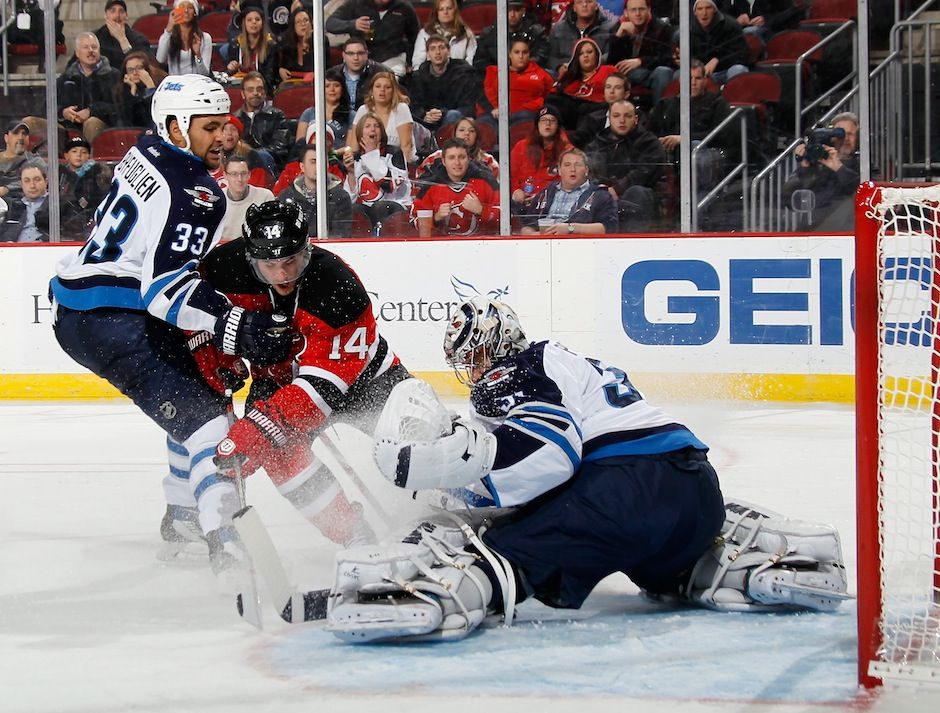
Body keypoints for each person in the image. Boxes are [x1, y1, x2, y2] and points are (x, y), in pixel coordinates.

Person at [326, 296, 850, 642]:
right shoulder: (563, 362)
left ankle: (442, 592)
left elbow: (551, 450)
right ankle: (721, 561)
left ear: (500, 342)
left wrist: (467, 487)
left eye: (479, 354)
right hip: (695, 493)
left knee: (503, 551)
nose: (477, 370)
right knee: (654, 560)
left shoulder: (518, 367)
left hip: (621, 494)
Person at [49, 74, 293, 573]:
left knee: (197, 386)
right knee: (210, 425)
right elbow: (164, 292)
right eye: (209, 127)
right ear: (177, 127)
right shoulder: (199, 195)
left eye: (225, 125)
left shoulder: (146, 148)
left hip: (79, 304)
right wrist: (236, 324)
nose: (223, 138)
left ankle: (183, 512)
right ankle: (225, 539)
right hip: (109, 317)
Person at [209, 200, 411, 545]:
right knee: (282, 454)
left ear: (306, 249)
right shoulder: (222, 269)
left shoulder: (337, 285)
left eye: (290, 261)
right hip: (277, 381)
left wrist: (258, 431)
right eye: (270, 265)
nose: (283, 274)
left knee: (418, 432)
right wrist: (220, 360)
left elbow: (325, 386)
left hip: (365, 378)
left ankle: (460, 502)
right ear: (250, 258)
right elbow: (194, 319)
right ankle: (352, 535)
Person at [647, 59, 736, 187]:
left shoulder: (717, 102)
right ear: (680, 80)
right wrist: (660, 141)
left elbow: (720, 135)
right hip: (670, 152)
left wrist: (684, 139)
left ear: (705, 80)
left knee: (694, 146)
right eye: (689, 78)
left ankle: (698, 200)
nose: (693, 83)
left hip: (705, 151)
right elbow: (650, 131)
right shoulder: (665, 104)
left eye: (698, 78)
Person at [584, 99, 666, 231]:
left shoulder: (649, 142)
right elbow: (590, 172)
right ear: (609, 119)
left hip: (636, 196)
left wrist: (617, 189)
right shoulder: (596, 144)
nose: (622, 120)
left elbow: (644, 172)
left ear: (636, 119)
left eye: (627, 116)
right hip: (604, 194)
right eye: (616, 116)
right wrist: (604, 190)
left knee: (637, 193)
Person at [782, 112, 860, 232]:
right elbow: (788, 200)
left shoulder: (866, 168)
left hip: (849, 236)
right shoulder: (816, 166)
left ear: (857, 138)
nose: (846, 139)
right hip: (813, 235)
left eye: (851, 134)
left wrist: (839, 168)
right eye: (840, 134)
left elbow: (868, 195)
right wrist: (804, 168)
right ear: (831, 137)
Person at [519, 148, 619, 234]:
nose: (573, 169)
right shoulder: (545, 193)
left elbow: (610, 227)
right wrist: (533, 235)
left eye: (578, 165)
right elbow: (526, 226)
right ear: (559, 170)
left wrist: (571, 228)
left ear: (586, 170)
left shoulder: (600, 194)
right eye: (567, 165)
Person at [413, 138, 499, 237]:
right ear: (444, 161)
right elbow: (414, 222)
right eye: (451, 157)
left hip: (481, 246)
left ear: (469, 159)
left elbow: (506, 216)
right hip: (441, 248)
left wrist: (481, 210)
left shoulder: (487, 182)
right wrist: (436, 217)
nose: (457, 163)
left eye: (462, 157)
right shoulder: (429, 186)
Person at [342, 113, 412, 231]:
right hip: (367, 207)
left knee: (381, 207)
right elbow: (349, 199)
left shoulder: (394, 153)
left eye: (376, 126)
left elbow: (390, 185)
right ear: (360, 133)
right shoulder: (356, 158)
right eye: (367, 126)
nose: (372, 129)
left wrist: (372, 155)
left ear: (382, 132)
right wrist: (350, 172)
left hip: (395, 205)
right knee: (354, 210)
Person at [325, 0, 420, 79]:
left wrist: (409, 60)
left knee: (389, 82)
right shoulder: (355, 4)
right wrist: (353, 24)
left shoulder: (404, 7)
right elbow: (330, 24)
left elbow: (414, 37)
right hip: (360, 57)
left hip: (392, 58)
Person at [606, 0, 674, 107]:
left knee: (663, 72)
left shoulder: (662, 29)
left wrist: (640, 61)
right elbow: (611, 64)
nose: (637, 13)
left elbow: (667, 59)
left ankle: (660, 115)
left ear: (649, 10)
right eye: (633, 10)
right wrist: (618, 36)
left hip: (650, 73)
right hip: (627, 74)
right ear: (626, 12)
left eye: (641, 9)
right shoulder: (617, 28)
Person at [56, 32, 122, 142]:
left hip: (103, 125)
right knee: (30, 122)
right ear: (77, 53)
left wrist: (91, 111)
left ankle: (90, 158)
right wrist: (63, 112)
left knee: (91, 123)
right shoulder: (66, 78)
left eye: (94, 47)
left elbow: (120, 107)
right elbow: (47, 106)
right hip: (68, 126)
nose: (91, 50)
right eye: (86, 47)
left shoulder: (114, 76)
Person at [277, 143, 353, 237]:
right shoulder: (286, 197)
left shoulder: (340, 197)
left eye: (322, 161)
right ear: (302, 167)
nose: (318, 166)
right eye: (313, 162)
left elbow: (341, 234)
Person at [408, 35, 481, 133]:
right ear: (428, 54)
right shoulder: (419, 75)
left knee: (453, 114)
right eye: (433, 49)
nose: (438, 52)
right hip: (427, 118)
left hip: (453, 116)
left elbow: (467, 106)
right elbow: (415, 104)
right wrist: (424, 115)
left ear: (449, 51)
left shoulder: (463, 72)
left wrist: (442, 113)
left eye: (442, 48)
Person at [478, 35, 554, 128]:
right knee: (484, 123)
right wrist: (494, 108)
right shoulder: (494, 72)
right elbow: (484, 94)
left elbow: (550, 96)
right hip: (496, 115)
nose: (521, 56)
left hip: (525, 115)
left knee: (526, 118)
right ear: (509, 54)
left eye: (525, 52)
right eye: (517, 52)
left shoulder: (541, 74)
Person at [509, 105, 572, 207]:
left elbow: (570, 182)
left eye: (552, 120)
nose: (548, 123)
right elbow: (511, 175)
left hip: (554, 204)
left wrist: (543, 196)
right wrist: (515, 190)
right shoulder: (521, 147)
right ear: (537, 125)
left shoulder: (567, 151)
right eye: (543, 120)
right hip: (522, 203)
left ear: (558, 126)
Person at [550, 37, 618, 130]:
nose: (586, 56)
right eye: (581, 54)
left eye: (589, 52)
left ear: (597, 55)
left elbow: (620, 88)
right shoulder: (569, 76)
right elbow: (554, 93)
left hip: (598, 110)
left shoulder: (608, 70)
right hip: (571, 113)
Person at [348, 71, 415, 164]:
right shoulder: (363, 110)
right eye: (378, 86)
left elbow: (406, 146)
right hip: (366, 163)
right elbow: (354, 147)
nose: (382, 90)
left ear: (393, 91)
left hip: (397, 165)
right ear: (372, 90)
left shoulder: (401, 109)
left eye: (387, 87)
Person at [233, 70, 292, 174]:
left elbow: (280, 149)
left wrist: (252, 153)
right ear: (243, 94)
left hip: (268, 167)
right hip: (240, 167)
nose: (255, 93)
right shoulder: (235, 118)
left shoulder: (277, 116)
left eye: (259, 89)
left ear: (264, 93)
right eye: (250, 90)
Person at [58, 136, 112, 241]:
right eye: (74, 151)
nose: (79, 155)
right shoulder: (59, 175)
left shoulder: (97, 174)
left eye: (83, 152)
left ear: (89, 156)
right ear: (66, 156)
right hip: (64, 223)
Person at [474, 0, 549, 75]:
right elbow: (479, 62)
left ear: (523, 11)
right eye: (508, 10)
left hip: (529, 75)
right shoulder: (489, 33)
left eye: (516, 10)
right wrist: (501, 69)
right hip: (496, 77)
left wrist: (522, 65)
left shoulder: (536, 32)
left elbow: (542, 57)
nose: (512, 14)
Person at [547, 0, 618, 80]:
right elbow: (552, 56)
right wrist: (559, 67)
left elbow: (611, 55)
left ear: (596, 6)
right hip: (566, 74)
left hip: (598, 73)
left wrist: (591, 65)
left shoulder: (611, 28)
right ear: (574, 7)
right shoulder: (558, 29)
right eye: (580, 2)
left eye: (589, 1)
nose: (584, 5)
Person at [415, 116, 498, 181]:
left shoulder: (488, 161)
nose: (467, 133)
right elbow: (420, 184)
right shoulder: (435, 158)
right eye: (461, 130)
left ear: (477, 136)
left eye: (472, 131)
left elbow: (496, 190)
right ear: (455, 133)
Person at [688, 0, 750, 86]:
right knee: (679, 74)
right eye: (700, 9)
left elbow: (742, 55)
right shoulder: (688, 30)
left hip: (724, 72)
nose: (704, 13)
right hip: (699, 75)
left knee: (738, 70)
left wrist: (717, 60)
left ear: (714, 10)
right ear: (695, 12)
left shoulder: (731, 25)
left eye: (708, 8)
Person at [568, 70, 629, 148]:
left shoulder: (637, 118)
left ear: (626, 94)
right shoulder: (593, 118)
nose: (612, 91)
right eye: (608, 87)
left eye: (617, 88)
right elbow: (578, 139)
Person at [220, 154, 275, 240]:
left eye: (243, 173)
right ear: (225, 175)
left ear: (249, 174)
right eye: (234, 174)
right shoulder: (218, 199)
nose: (239, 179)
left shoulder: (265, 197)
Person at [223, 0, 276, 88]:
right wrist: (230, 69)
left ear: (262, 23)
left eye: (257, 19)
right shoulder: (235, 45)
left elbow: (269, 79)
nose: (254, 22)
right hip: (239, 88)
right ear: (244, 23)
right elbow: (228, 75)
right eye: (249, 20)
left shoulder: (270, 46)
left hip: (261, 89)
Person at [330, 38, 389, 116]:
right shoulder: (333, 74)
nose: (356, 58)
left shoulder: (381, 72)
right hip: (340, 119)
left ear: (366, 54)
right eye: (351, 53)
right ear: (343, 55)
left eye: (360, 53)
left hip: (370, 117)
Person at [411, 0, 477, 69]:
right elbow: (418, 62)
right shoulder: (424, 33)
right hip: (431, 76)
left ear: (455, 11)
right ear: (436, 13)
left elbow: (471, 59)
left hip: (460, 75)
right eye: (441, 9)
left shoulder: (466, 33)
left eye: (449, 8)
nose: (445, 12)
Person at [295, 67, 353, 146]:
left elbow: (350, 148)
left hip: (338, 157)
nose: (332, 89)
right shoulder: (308, 113)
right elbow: (299, 145)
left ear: (343, 89)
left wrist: (331, 153)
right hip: (312, 156)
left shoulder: (351, 115)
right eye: (327, 86)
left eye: (336, 85)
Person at [157, 0, 213, 77]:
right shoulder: (167, 36)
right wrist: (168, 29)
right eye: (182, 7)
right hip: (176, 85)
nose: (186, 11)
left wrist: (198, 55)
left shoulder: (205, 38)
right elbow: (160, 59)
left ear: (195, 12)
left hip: (196, 83)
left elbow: (204, 74)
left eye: (190, 7)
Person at [93, 0, 153, 71]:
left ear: (126, 16)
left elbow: (144, 65)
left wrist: (122, 39)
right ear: (105, 15)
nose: (117, 15)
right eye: (113, 11)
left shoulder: (139, 39)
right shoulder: (95, 38)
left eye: (121, 11)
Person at [113, 51, 167, 128]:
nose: (135, 73)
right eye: (130, 70)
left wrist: (150, 86)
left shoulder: (161, 80)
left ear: (146, 69)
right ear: (125, 74)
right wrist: (133, 92)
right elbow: (132, 118)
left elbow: (155, 112)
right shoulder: (122, 90)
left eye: (139, 68)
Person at [0, 160, 50, 242]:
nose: (32, 185)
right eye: (27, 181)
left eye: (37, 180)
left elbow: (65, 233)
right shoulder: (12, 206)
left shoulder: (58, 204)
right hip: (15, 251)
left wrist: (42, 242)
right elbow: (4, 233)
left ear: (46, 182)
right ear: (21, 184)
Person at [719, 0, 802, 43]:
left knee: (749, 32)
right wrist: (736, 20)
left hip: (773, 30)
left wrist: (766, 19)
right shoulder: (735, 1)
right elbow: (723, 16)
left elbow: (793, 12)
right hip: (746, 34)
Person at [272, 6, 314, 88]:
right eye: (298, 22)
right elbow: (274, 68)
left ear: (311, 23)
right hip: (290, 88)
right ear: (293, 27)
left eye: (306, 20)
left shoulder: (321, 42)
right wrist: (280, 70)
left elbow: (324, 70)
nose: (303, 24)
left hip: (313, 87)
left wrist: (306, 42)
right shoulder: (285, 44)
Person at [0, 120, 37, 201]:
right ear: (6, 138)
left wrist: (6, 189)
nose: (20, 137)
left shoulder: (35, 161)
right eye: (15, 133)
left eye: (24, 134)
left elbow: (38, 181)